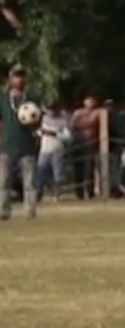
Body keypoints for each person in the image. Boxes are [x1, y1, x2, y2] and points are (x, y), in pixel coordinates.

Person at [0, 65, 41, 219]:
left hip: (27, 145)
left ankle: (30, 211)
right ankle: (4, 211)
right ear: (9, 79)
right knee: (3, 181)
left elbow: (38, 120)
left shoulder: (32, 97)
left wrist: (32, 123)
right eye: (16, 76)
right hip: (6, 144)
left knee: (29, 182)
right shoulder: (3, 98)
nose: (19, 79)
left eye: (21, 76)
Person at [36, 102, 71, 201]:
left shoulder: (63, 121)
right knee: (41, 172)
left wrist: (54, 133)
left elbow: (67, 136)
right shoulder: (44, 119)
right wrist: (41, 133)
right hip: (44, 149)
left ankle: (57, 194)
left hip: (57, 149)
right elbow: (39, 132)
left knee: (58, 173)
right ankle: (39, 193)